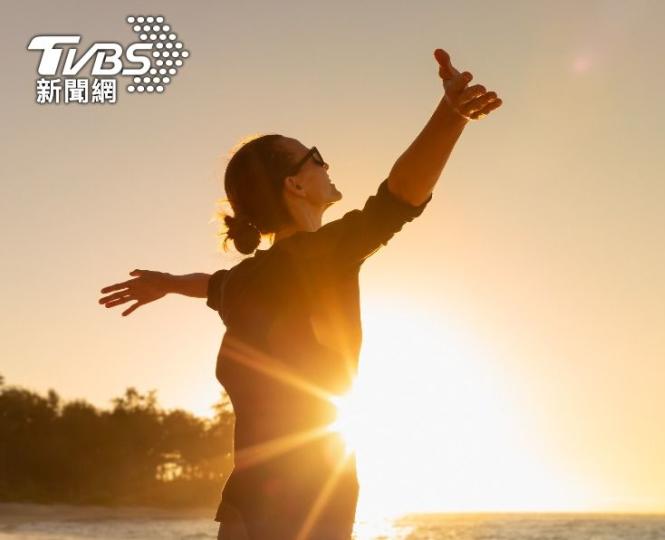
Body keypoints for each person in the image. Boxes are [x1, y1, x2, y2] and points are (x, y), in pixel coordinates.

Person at [98, 48, 502, 540]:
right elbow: (397, 199)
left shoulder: (247, 280)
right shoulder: (320, 255)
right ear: (294, 183)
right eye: (315, 157)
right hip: (310, 496)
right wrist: (450, 116)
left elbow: (212, 285)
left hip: (247, 497)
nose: (326, 164)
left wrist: (165, 282)